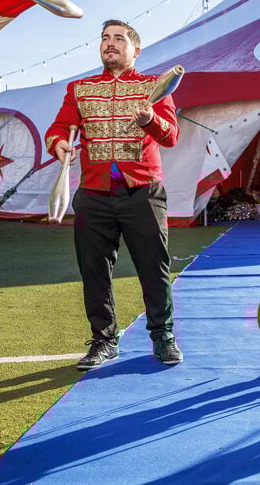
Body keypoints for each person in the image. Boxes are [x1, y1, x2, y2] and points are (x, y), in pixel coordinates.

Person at [46, 19, 182, 370]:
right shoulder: (79, 89)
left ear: (135, 50)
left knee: (154, 267)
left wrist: (150, 119)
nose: (110, 43)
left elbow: (170, 137)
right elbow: (59, 128)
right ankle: (103, 341)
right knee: (94, 270)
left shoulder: (155, 87)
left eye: (119, 39)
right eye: (105, 38)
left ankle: (162, 335)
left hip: (143, 192)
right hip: (93, 193)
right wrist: (60, 144)